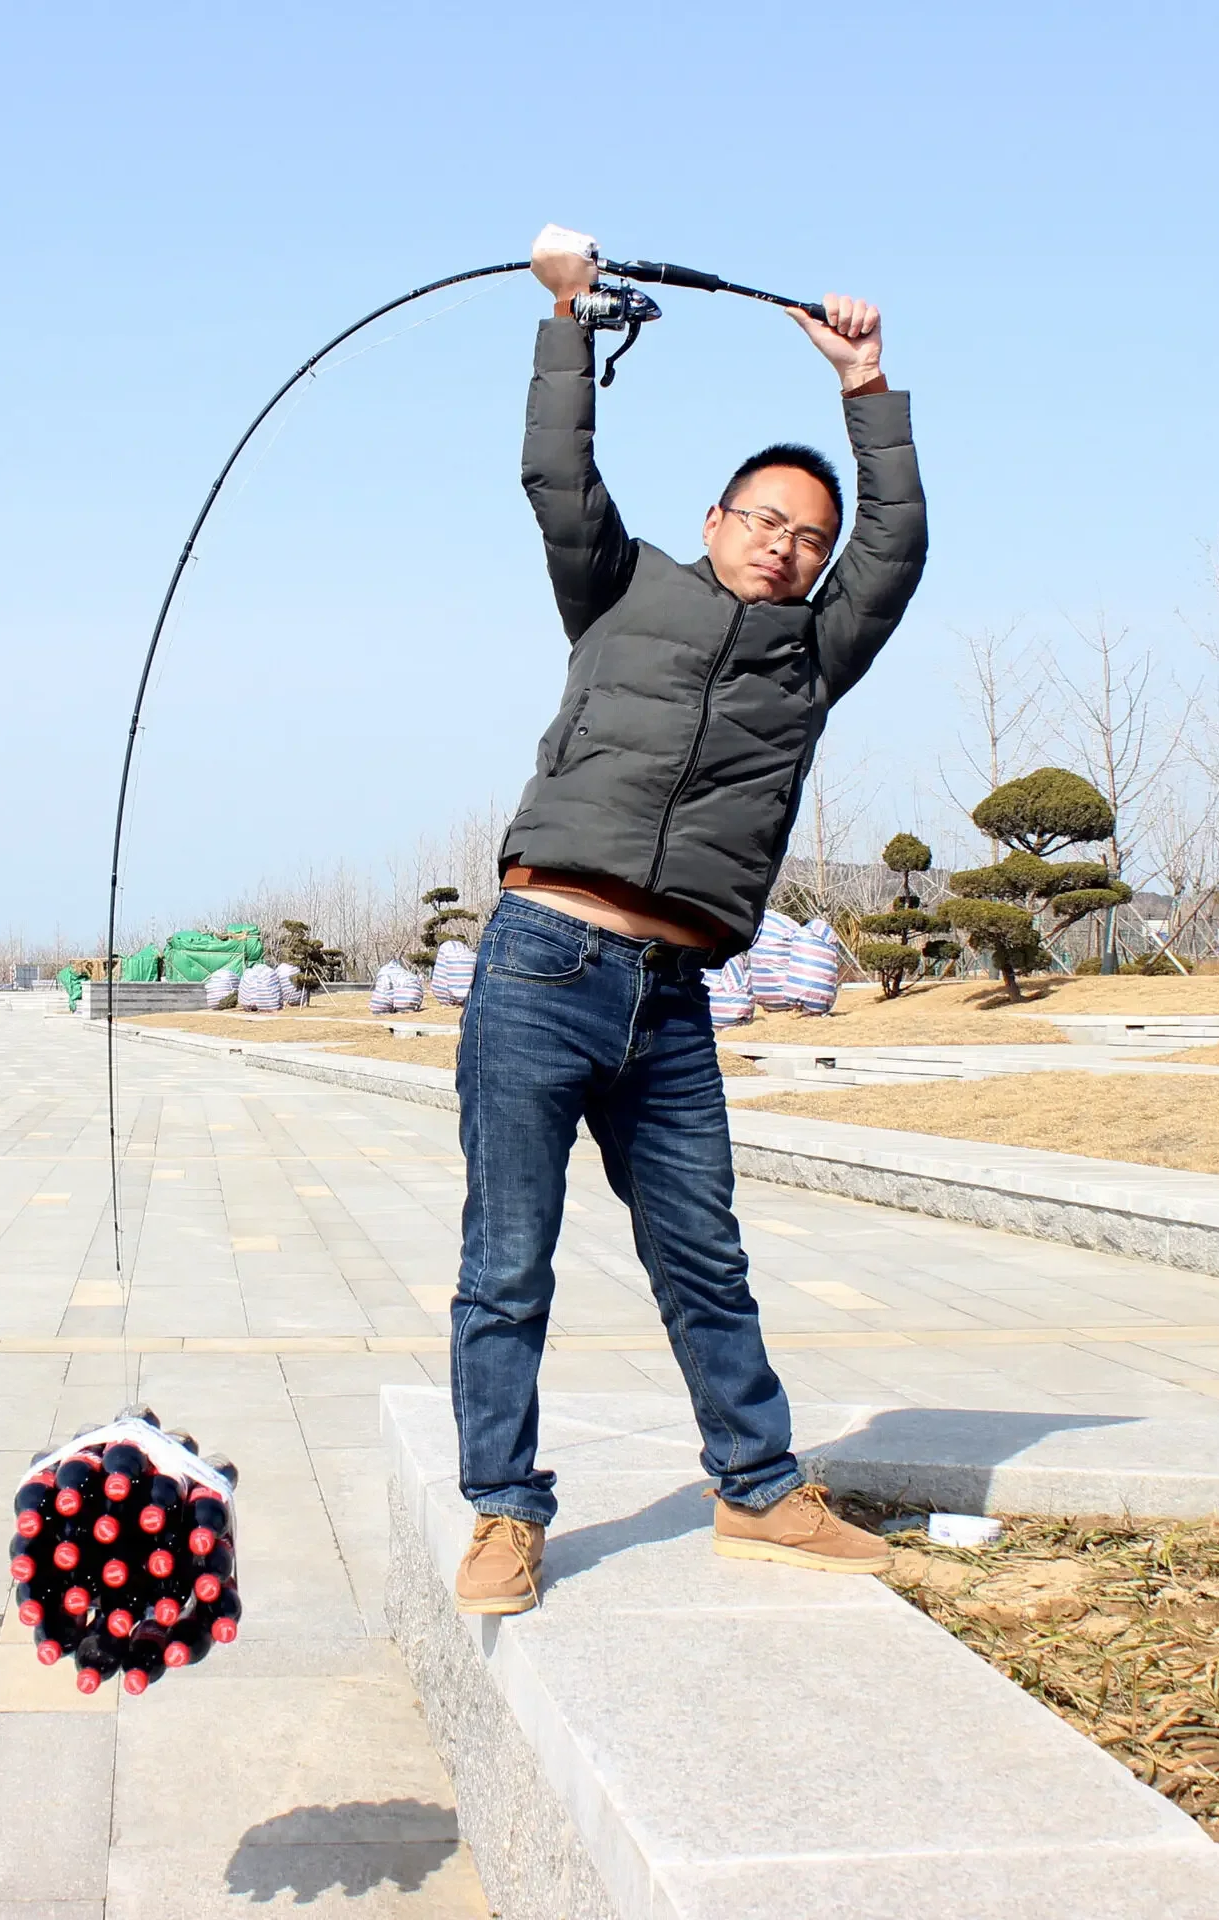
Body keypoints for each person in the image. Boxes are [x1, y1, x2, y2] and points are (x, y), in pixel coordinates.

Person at [450, 224, 928, 1615]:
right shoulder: (620, 588)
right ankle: (502, 1513)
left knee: (702, 1252)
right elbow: (556, 471)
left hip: (671, 1001)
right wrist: (565, 319)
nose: (786, 548)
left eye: (808, 539)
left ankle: (762, 1489)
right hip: (542, 965)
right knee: (506, 1260)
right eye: (765, 521)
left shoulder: (811, 659)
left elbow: (897, 546)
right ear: (716, 520)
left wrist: (868, 388)